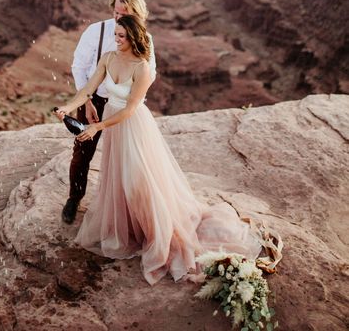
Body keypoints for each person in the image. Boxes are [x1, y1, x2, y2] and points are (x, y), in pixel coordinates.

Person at [55, 15, 262, 286]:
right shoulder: (108, 58)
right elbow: (88, 89)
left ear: (134, 39)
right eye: (115, 35)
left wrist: (97, 128)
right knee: (119, 180)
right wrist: (68, 109)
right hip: (114, 126)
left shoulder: (142, 69)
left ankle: (157, 235)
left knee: (137, 180)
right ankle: (133, 227)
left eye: (121, 36)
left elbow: (129, 109)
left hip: (133, 127)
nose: (115, 40)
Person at [61, 0, 156, 225]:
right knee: (82, 153)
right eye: (116, 13)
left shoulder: (146, 39)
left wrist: (131, 99)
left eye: (126, 13)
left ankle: (134, 211)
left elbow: (148, 74)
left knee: (129, 160)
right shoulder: (96, 31)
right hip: (92, 99)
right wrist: (85, 102)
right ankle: (74, 198)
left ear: (138, 14)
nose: (119, 18)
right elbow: (79, 67)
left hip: (124, 106)